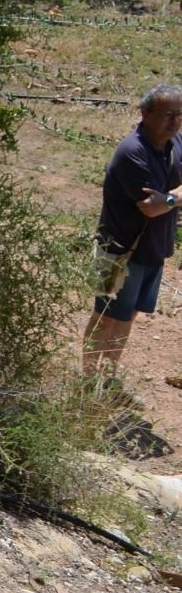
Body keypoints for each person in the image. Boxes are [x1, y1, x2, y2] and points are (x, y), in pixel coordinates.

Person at [84, 84, 182, 375]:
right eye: (168, 115)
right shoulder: (132, 153)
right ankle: (86, 380)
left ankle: (109, 377)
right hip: (119, 251)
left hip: (152, 249)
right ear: (146, 114)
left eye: (180, 115)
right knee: (105, 316)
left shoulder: (175, 143)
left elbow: (164, 201)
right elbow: (152, 206)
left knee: (127, 316)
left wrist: (170, 198)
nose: (175, 122)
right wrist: (175, 197)